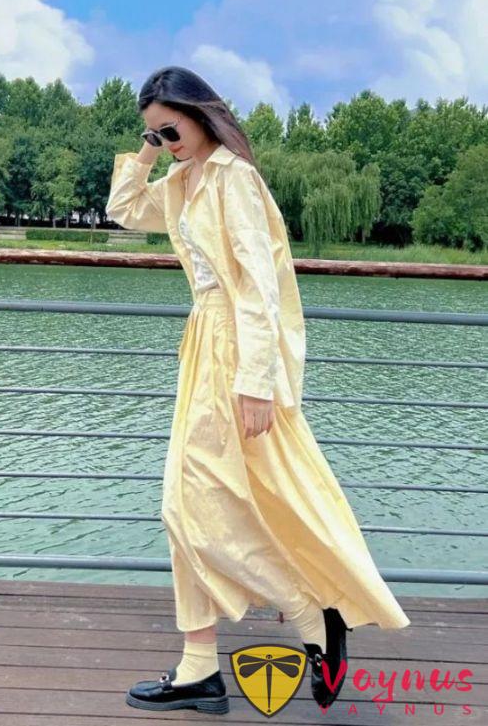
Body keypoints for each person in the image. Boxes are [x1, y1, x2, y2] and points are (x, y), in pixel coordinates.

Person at [105, 66, 410, 714]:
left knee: (193, 509)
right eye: (154, 133)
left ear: (202, 116)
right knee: (184, 506)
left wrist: (255, 380)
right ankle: (198, 667)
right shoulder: (183, 179)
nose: (164, 142)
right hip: (201, 344)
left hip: (233, 350)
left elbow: (258, 286)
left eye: (170, 129)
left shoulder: (233, 179)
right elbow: (125, 211)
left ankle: (312, 615)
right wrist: (148, 153)